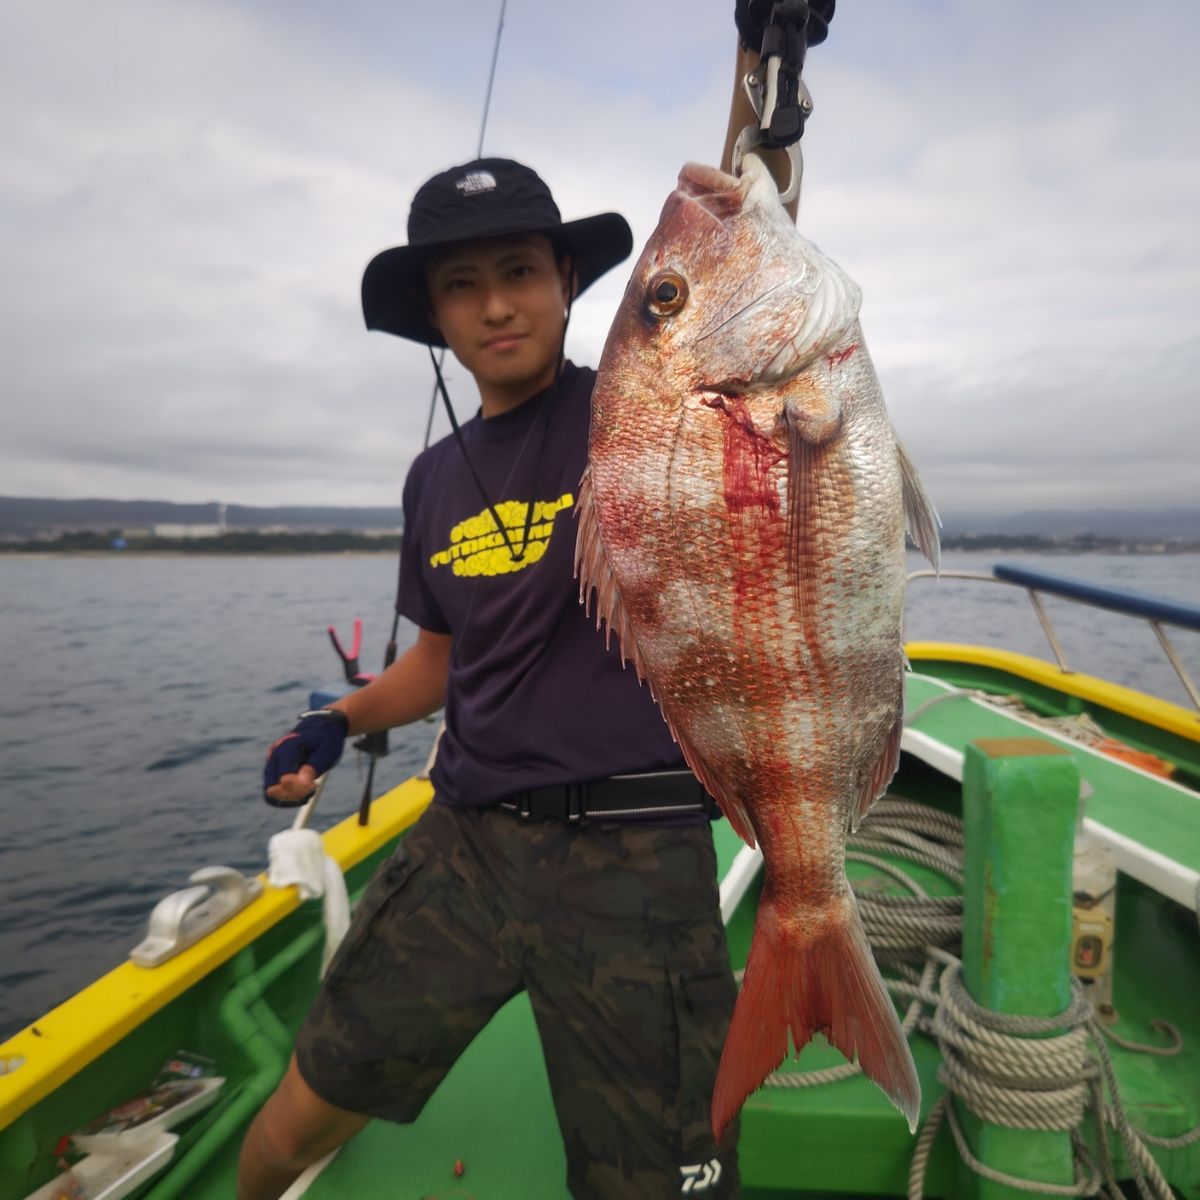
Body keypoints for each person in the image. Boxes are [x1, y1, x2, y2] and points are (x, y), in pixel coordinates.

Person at [238, 8, 833, 1199]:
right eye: (465, 286)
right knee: (286, 1129)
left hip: (637, 853)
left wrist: (761, 54)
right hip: (464, 844)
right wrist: (341, 724)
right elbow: (444, 661)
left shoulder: (645, 399)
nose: (498, 304)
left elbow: (726, 247)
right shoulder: (434, 479)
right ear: (436, 318)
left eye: (521, 271)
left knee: (651, 1184)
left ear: (569, 282)